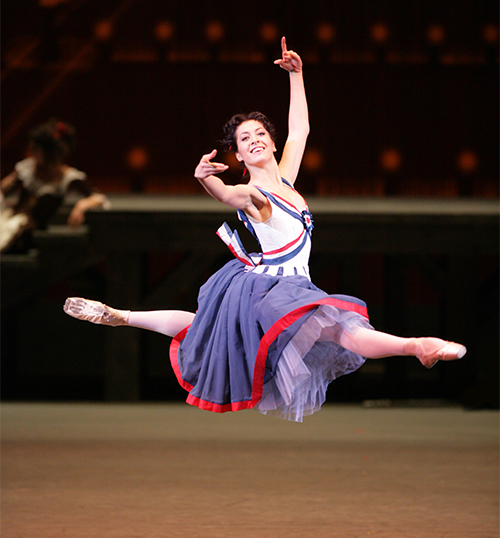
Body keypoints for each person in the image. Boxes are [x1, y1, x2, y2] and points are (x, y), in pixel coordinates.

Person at [64, 37, 466, 422]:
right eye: (244, 138)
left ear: (272, 142)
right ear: (237, 154)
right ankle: (417, 346)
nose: (254, 139)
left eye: (260, 133)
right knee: (338, 332)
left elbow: (301, 129)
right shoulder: (254, 193)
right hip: (266, 289)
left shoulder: (286, 181)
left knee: (207, 327)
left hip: (294, 286)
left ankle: (122, 316)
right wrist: (205, 179)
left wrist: (296, 74)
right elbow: (226, 196)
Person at [1, 118, 109, 253]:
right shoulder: (27, 168)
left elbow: (98, 197)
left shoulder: (68, 177)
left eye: (35, 148)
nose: (31, 152)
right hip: (7, 221)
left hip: (27, 236)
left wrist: (82, 205)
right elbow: (3, 190)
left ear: (47, 152)